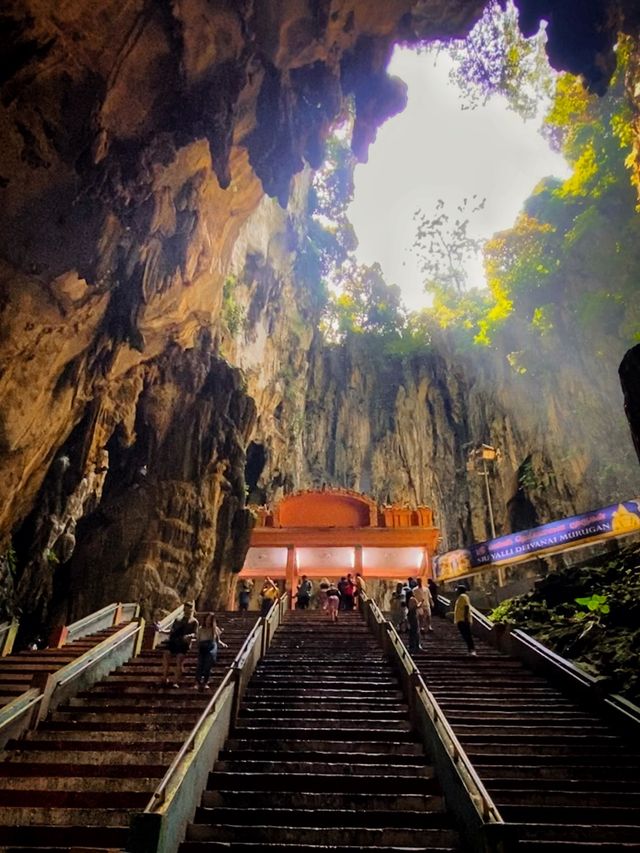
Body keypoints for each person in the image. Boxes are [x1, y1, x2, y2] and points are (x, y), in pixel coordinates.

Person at [159, 602, 199, 687]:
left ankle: (176, 681)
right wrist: (162, 631)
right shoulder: (178, 619)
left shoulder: (194, 622)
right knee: (166, 655)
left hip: (184, 644)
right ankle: (164, 678)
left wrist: (189, 636)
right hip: (174, 641)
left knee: (179, 659)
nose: (187, 611)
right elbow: (171, 631)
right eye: (185, 609)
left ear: (192, 610)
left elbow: (196, 634)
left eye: (189, 610)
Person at [194, 612, 228, 690]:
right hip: (202, 646)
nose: (208, 621)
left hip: (211, 646)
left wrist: (222, 644)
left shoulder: (215, 629)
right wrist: (198, 646)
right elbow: (198, 640)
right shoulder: (200, 629)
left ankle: (205, 682)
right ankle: (197, 682)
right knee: (200, 665)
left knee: (208, 664)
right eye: (207, 619)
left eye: (210, 620)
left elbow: (218, 640)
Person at [454, 584, 476, 656]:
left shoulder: (463, 596)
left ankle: (472, 650)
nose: (456, 591)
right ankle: (470, 650)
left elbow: (466, 606)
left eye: (457, 590)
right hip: (461, 620)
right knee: (465, 636)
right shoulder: (461, 597)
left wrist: (466, 618)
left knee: (467, 635)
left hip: (463, 620)